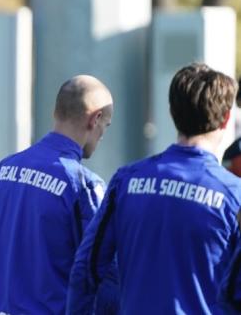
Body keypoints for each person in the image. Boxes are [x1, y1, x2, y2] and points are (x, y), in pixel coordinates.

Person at [67, 63, 241, 314]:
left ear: (172, 112)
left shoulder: (127, 180)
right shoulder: (233, 194)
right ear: (225, 119)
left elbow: (86, 269)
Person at [0, 75, 116, 315]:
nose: (103, 135)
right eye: (106, 125)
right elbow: (104, 277)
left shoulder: (4, 170)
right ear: (95, 119)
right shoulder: (84, 186)